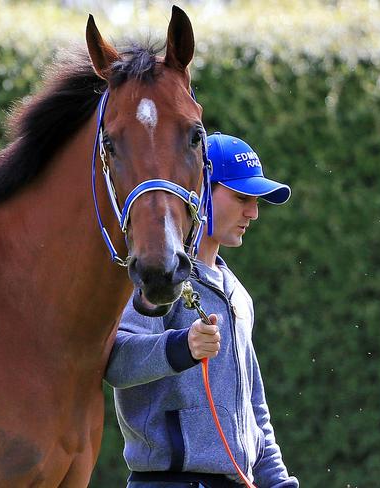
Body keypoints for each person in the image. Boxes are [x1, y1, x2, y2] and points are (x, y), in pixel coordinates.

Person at [104, 133, 299, 488]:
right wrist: (183, 347)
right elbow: (115, 361)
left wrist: (278, 482)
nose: (253, 213)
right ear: (200, 189)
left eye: (256, 202)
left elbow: (254, 408)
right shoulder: (158, 278)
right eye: (242, 197)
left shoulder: (238, 294)